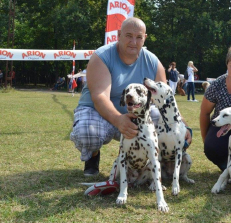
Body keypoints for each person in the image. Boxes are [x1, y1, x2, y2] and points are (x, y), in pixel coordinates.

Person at [70, 17, 193, 177]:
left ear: (145, 38)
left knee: (165, 123)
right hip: (98, 112)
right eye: (128, 35)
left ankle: (149, 163)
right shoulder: (101, 57)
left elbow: (166, 100)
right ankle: (93, 156)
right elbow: (100, 97)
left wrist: (182, 125)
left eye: (139, 37)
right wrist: (119, 120)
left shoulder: (153, 62)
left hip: (137, 115)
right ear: (119, 34)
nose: (133, 42)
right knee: (87, 133)